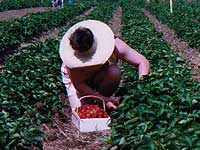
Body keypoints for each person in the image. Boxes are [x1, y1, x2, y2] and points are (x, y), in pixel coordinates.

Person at [59, 20, 150, 110]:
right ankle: (97, 103)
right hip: (79, 82)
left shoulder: (115, 45)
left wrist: (141, 89)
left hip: (99, 75)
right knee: (83, 114)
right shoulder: (71, 63)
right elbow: (79, 84)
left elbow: (142, 62)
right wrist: (105, 100)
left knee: (114, 71)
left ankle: (101, 104)